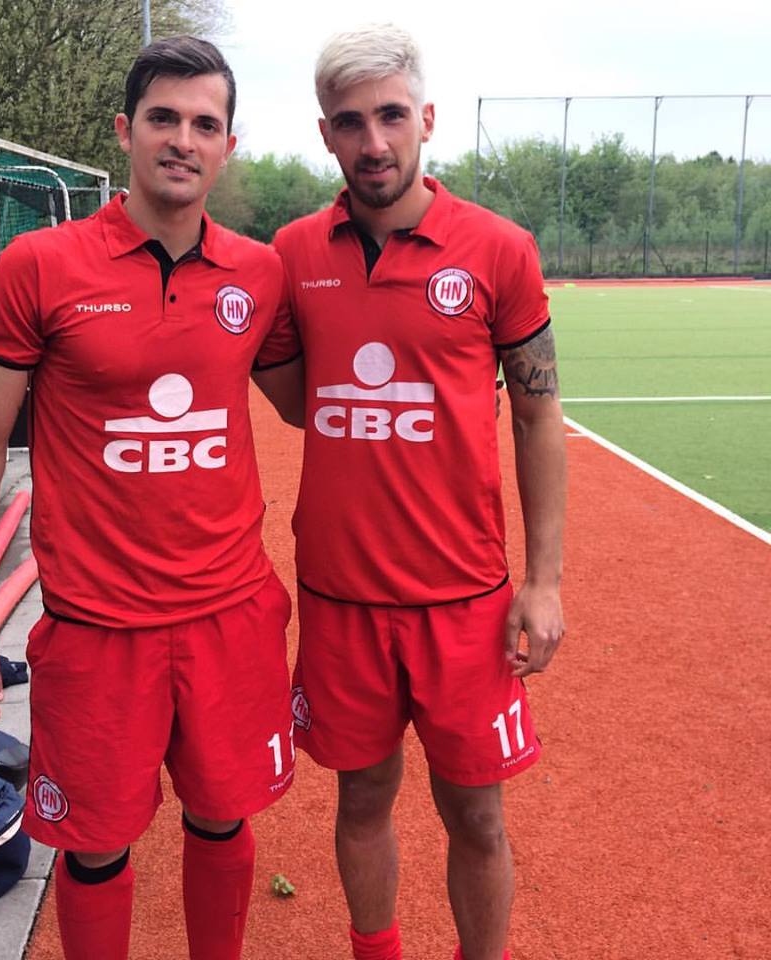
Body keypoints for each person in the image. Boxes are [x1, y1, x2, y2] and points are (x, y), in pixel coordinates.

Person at [0, 37, 301, 960]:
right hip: (98, 626)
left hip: (228, 613)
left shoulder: (259, 274)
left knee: (222, 818)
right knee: (95, 846)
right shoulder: (40, 266)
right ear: (125, 131)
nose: (183, 139)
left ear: (228, 145)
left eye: (205, 124)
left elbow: (311, 402)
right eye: (163, 118)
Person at [265, 24, 567, 960]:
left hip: (462, 598)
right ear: (326, 134)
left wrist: (544, 579)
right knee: (361, 796)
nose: (375, 141)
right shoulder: (292, 253)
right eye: (351, 122)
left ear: (426, 119)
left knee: (475, 814)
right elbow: (294, 401)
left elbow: (538, 416)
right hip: (342, 596)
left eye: (392, 115)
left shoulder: (499, 250)